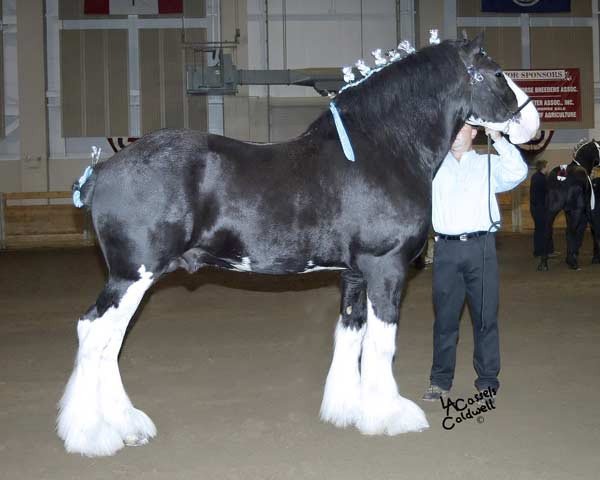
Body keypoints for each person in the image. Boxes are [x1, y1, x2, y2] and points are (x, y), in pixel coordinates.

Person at [422, 123, 527, 403]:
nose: (456, 132)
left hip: (481, 249)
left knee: (485, 318)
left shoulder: (489, 164)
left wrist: (499, 138)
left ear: (474, 133)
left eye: (463, 128)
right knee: (445, 320)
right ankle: (440, 381)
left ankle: (488, 379)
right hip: (446, 251)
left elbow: (519, 171)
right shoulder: (432, 166)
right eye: (452, 127)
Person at [529, 158, 554, 257]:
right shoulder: (541, 179)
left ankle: (545, 251)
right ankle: (542, 252)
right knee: (542, 230)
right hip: (540, 209)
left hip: (537, 208)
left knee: (541, 229)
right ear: (544, 167)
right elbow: (548, 190)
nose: (548, 168)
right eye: (547, 166)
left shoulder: (537, 176)